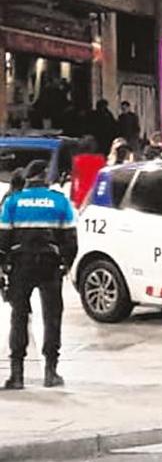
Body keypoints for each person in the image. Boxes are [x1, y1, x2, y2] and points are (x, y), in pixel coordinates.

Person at [0, 160, 77, 389]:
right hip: (50, 266)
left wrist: (2, 268)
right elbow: (71, 240)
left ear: (28, 177)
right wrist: (65, 264)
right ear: (45, 177)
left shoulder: (13, 202)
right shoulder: (60, 201)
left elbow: (2, 240)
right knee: (52, 318)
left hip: (20, 266)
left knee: (19, 317)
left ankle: (17, 375)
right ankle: (51, 373)